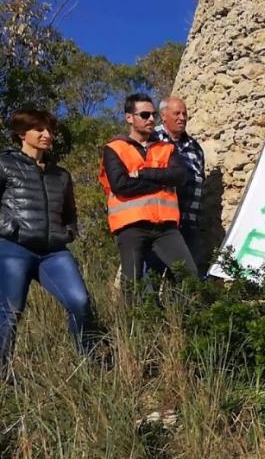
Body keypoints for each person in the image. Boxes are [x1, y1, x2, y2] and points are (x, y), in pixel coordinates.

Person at [0, 109, 99, 373]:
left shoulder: (60, 175)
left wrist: (68, 232)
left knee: (79, 301)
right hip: (13, 248)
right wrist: (9, 228)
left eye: (50, 130)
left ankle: (88, 364)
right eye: (39, 130)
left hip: (54, 252)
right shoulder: (5, 164)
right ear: (22, 133)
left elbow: (70, 213)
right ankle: (3, 376)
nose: (47, 135)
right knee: (10, 313)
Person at [99, 93, 197, 286]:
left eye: (153, 114)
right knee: (132, 282)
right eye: (144, 115)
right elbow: (122, 186)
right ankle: (132, 318)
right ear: (129, 118)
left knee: (189, 275)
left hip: (165, 226)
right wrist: (162, 180)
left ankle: (180, 316)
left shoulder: (166, 148)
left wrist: (143, 173)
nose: (151, 119)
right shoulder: (114, 148)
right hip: (131, 225)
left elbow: (179, 176)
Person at [152, 96, 207, 275]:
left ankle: (178, 304)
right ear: (163, 116)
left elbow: (200, 180)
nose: (182, 117)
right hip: (161, 222)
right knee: (155, 273)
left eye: (184, 113)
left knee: (186, 277)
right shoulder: (152, 140)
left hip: (189, 222)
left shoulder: (195, 148)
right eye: (176, 113)